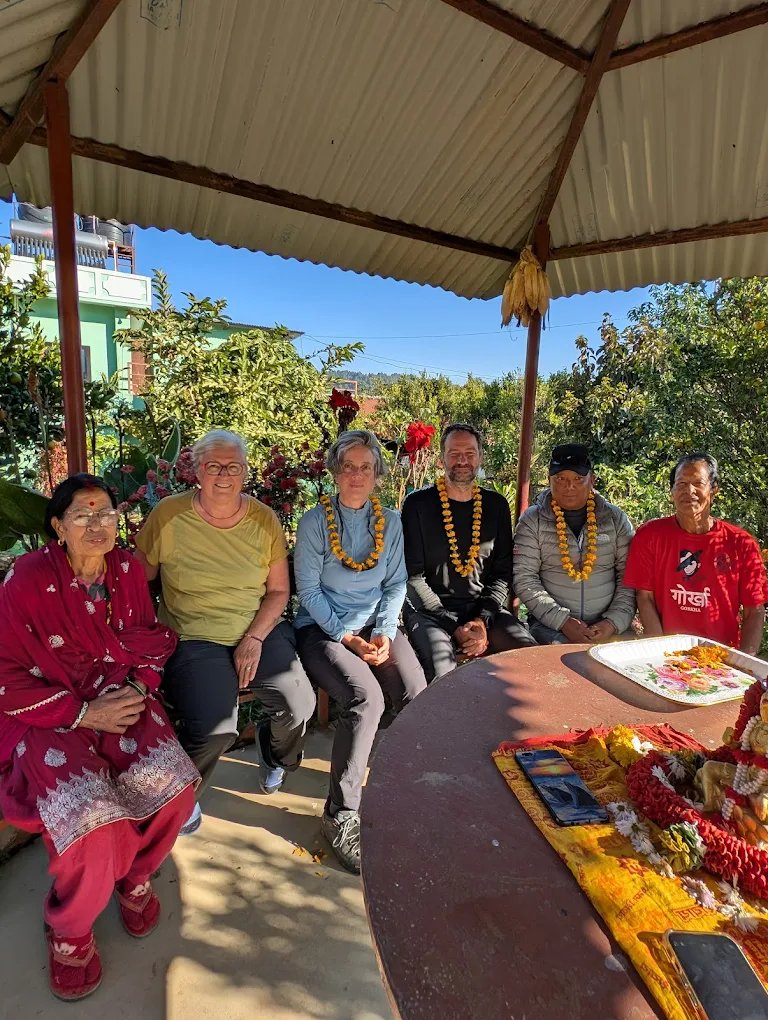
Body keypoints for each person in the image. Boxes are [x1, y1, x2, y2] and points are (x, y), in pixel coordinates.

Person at [0, 474, 198, 1002]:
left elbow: (147, 642)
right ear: (58, 526)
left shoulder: (127, 568)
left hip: (117, 691)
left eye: (106, 513)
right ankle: (71, 927)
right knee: (92, 824)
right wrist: (84, 713)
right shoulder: (26, 578)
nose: (97, 525)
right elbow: (6, 673)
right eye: (82, 515)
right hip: (49, 709)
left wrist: (139, 687)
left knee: (176, 789)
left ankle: (135, 875)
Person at [134, 429, 315, 834]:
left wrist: (253, 638)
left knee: (298, 706)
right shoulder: (169, 515)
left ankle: (275, 754)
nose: (224, 475)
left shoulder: (263, 519)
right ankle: (180, 797)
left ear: (245, 472)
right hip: (193, 635)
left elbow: (279, 591)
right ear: (197, 471)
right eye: (214, 466)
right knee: (216, 732)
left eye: (233, 467)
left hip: (258, 628)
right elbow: (138, 580)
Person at [294, 430, 426, 873]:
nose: (356, 475)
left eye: (365, 467)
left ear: (377, 475)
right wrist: (347, 636)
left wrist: (385, 631)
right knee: (365, 698)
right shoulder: (315, 522)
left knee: (416, 693)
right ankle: (341, 812)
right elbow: (308, 592)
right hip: (323, 628)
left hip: (376, 625)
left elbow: (396, 583)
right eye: (348, 466)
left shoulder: (391, 521)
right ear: (335, 472)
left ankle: (395, 786)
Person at [401, 423, 535, 683]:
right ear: (442, 459)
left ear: (480, 457)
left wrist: (482, 620)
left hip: (483, 612)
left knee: (530, 658)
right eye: (454, 453)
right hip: (430, 613)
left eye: (470, 453)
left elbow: (502, 573)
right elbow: (413, 577)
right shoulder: (417, 505)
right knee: (443, 673)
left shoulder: (495, 505)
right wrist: (454, 627)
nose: (462, 460)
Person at [623, 453, 767, 654]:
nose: (689, 491)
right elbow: (645, 597)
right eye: (681, 483)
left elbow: (755, 610)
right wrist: (661, 652)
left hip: (721, 658)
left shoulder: (741, 543)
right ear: (672, 491)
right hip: (668, 655)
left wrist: (744, 661)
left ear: (713, 489)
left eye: (698, 483)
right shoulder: (650, 535)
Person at [513, 443, 635, 645]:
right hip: (551, 626)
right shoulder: (532, 520)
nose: (569, 487)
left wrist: (612, 623)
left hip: (608, 626)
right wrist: (562, 622)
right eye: (560, 479)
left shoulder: (614, 519)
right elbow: (525, 578)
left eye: (578, 479)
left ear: (592, 480)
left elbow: (629, 576)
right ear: (549, 480)